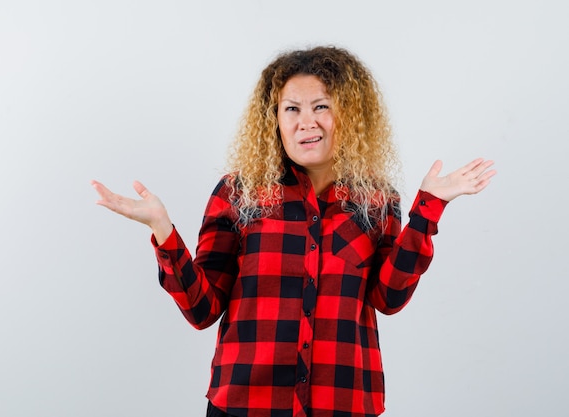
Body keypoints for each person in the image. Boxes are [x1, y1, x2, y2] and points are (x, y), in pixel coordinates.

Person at [91, 46, 495, 417]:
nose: (307, 122)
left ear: (349, 115)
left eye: (321, 106)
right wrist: (163, 231)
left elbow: (388, 298)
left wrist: (428, 210)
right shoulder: (239, 193)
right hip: (245, 404)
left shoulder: (376, 199)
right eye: (291, 109)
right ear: (274, 119)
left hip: (344, 403)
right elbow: (202, 311)